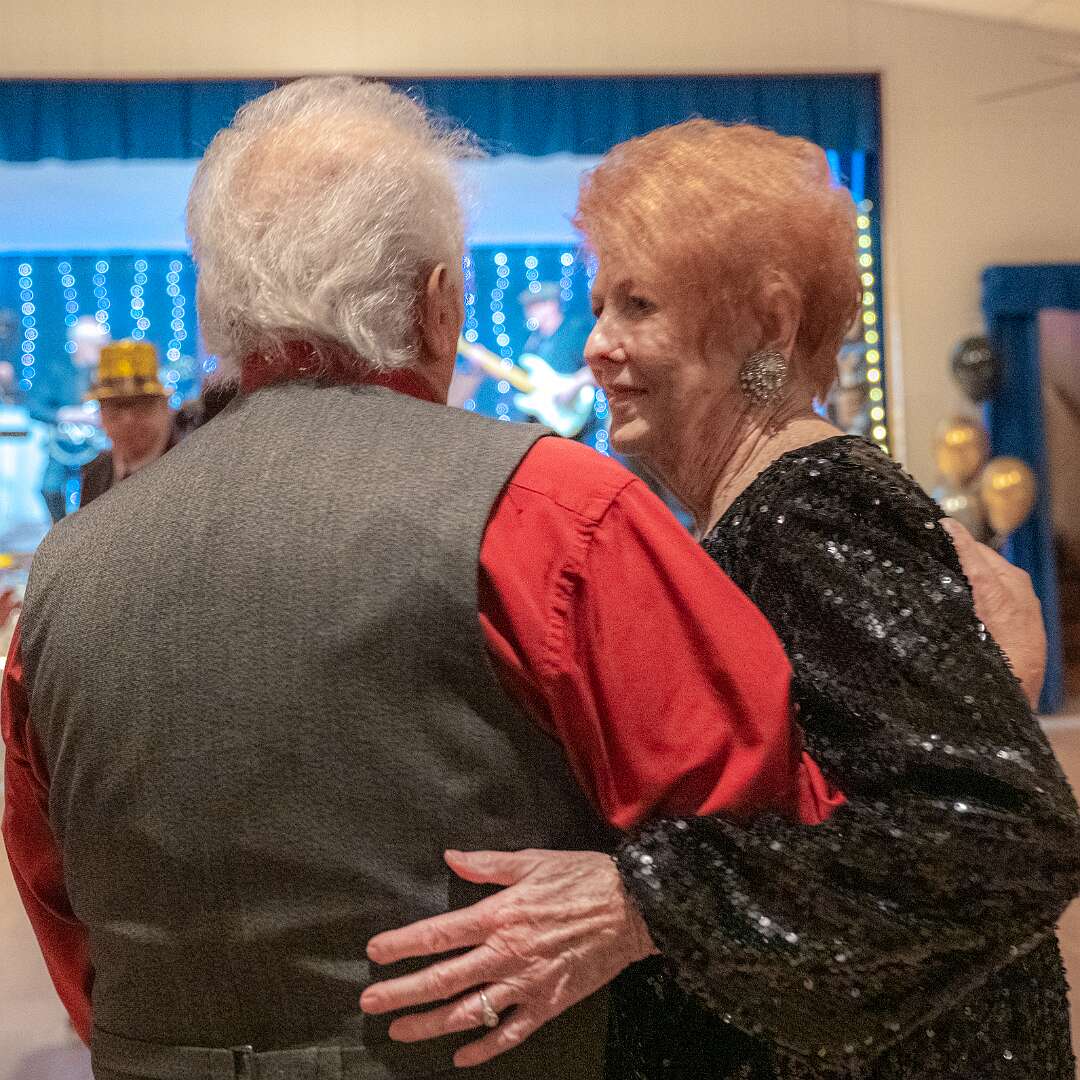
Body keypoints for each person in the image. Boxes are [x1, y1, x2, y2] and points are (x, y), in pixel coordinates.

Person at [6, 79, 841, 1080]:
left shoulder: (66, 576)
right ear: (439, 302)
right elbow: (767, 837)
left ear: (216, 309)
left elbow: (69, 921)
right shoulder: (550, 513)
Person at [361, 121, 1080, 1079]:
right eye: (600, 306)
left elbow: (998, 837)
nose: (596, 347)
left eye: (639, 306)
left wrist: (640, 904)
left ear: (769, 326)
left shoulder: (807, 509)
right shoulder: (770, 508)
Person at [79, 340, 180, 509]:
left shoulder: (189, 467)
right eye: (116, 408)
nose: (128, 420)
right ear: (101, 413)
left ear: (165, 406)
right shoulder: (95, 472)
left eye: (140, 405)